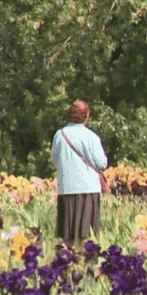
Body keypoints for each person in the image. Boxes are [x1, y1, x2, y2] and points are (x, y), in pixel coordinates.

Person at [52, 100, 108, 245]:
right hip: (88, 189)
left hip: (66, 190)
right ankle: (85, 264)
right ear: (87, 116)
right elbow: (102, 163)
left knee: (67, 236)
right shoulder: (91, 137)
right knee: (86, 235)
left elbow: (55, 159)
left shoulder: (60, 135)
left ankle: (67, 263)